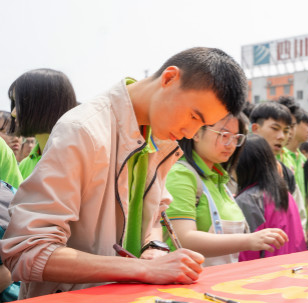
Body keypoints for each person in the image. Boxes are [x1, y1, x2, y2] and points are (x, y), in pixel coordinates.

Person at [0, 47, 247, 299]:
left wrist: (153, 248)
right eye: (194, 116)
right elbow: (27, 250)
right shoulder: (82, 130)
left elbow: (152, 220)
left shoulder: (159, 138)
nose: (191, 133)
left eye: (202, 125)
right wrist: (142, 268)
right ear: (169, 78)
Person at [164, 114, 287, 266]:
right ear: (196, 132)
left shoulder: (219, 179)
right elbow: (183, 238)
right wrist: (249, 240)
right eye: (224, 135)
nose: (231, 144)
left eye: (236, 137)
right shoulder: (181, 174)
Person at [235, 135, 306, 261]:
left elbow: (247, 253)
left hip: (264, 273)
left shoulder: (248, 199)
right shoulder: (284, 193)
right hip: (292, 266)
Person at [8, 69, 78, 179]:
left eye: (20, 104)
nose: (13, 113)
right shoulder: (25, 164)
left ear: (45, 105)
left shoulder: (79, 162)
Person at [249, 102, 307, 235]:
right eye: (275, 128)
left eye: (286, 131)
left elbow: (299, 218)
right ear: (255, 129)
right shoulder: (235, 167)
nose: (282, 136)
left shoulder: (285, 173)